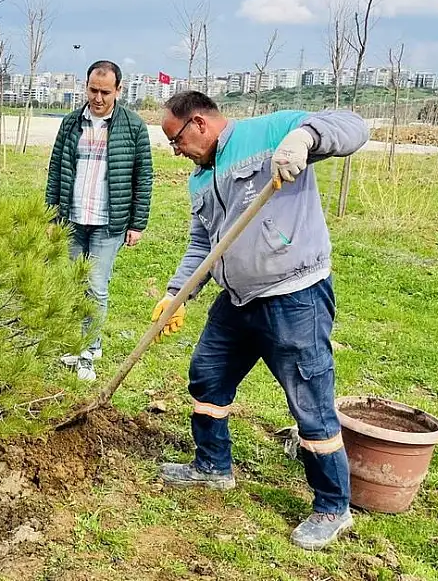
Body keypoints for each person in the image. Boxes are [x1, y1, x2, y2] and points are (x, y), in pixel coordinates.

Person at [151, 91, 368, 550]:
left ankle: (332, 507)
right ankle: (212, 467)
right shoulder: (200, 180)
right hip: (237, 300)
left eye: (176, 141)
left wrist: (305, 138)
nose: (176, 151)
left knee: (309, 401)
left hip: (293, 295)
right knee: (207, 376)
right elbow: (203, 245)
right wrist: (177, 293)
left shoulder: (271, 132)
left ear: (199, 123)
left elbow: (352, 126)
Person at [45, 60, 154, 381]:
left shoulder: (133, 127)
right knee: (76, 283)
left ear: (118, 91)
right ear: (86, 86)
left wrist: (137, 223)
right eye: (93, 89)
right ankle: (81, 343)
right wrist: (52, 215)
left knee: (96, 287)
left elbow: (143, 177)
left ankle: (88, 354)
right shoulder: (70, 124)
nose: (98, 97)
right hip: (74, 218)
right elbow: (55, 170)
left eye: (106, 91)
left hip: (110, 222)